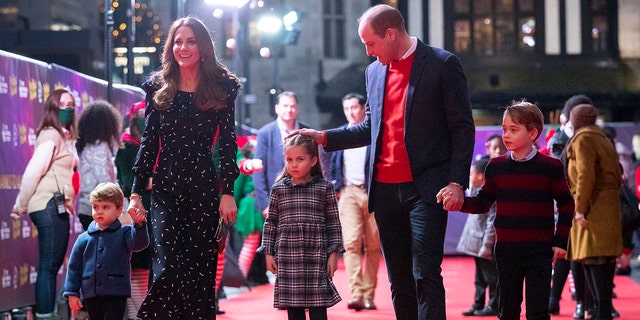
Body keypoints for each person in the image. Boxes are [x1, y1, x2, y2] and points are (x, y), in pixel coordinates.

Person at [294, 4, 475, 319]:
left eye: (371, 43)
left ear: (391, 33)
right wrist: (325, 137)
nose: (367, 51)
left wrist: (457, 182)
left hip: (427, 189)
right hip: (385, 191)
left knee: (426, 274)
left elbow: (462, 127)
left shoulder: (442, 64)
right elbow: (370, 129)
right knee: (399, 279)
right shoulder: (374, 71)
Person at [126, 16, 241, 319]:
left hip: (203, 189)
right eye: (178, 41)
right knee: (167, 266)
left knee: (199, 275)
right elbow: (149, 141)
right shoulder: (157, 87)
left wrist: (227, 191)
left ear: (202, 47)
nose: (183, 47)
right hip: (165, 187)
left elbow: (228, 143)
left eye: (190, 41)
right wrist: (136, 193)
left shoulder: (223, 88)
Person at [439, 100, 575, 319]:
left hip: (540, 251)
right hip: (506, 251)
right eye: (504, 129)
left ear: (532, 133)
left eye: (513, 130)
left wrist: (560, 241)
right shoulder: (496, 167)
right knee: (507, 309)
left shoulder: (551, 167)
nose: (506, 135)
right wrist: (460, 203)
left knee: (538, 311)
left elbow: (567, 203)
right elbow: (483, 203)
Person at [10, 88, 79, 320]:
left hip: (54, 204)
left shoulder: (63, 136)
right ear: (52, 108)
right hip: (47, 203)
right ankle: (46, 316)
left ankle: (46, 314)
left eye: (71, 104)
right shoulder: (51, 135)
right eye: (62, 105)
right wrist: (20, 204)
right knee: (49, 266)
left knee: (52, 265)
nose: (67, 109)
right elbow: (33, 171)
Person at [259, 133, 344, 320]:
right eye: (289, 159)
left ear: (313, 160)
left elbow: (333, 223)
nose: (294, 164)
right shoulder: (279, 189)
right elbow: (271, 222)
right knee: (294, 311)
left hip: (317, 256)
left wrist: (333, 254)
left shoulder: (325, 188)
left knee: (318, 310)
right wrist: (268, 253)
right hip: (288, 258)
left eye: (300, 159)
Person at [252, 91, 330, 286]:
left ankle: (305, 285)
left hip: (305, 197)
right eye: (285, 106)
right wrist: (264, 204)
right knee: (280, 243)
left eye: (293, 106)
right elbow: (258, 171)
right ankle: (286, 287)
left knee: (303, 243)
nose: (289, 109)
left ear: (298, 108)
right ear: (277, 108)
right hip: (276, 198)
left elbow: (318, 163)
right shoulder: (265, 133)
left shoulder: (306, 132)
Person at [566, 104, 623, 320]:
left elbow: (585, 175)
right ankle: (602, 311)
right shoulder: (604, 138)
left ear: (575, 120)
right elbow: (618, 175)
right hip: (608, 207)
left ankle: (601, 313)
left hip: (591, 208)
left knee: (593, 259)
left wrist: (579, 209)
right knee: (604, 261)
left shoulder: (583, 139)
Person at [63, 182, 149, 320]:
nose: (99, 211)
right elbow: (74, 268)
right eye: (95, 207)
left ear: (119, 210)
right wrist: (72, 293)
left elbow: (139, 244)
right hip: (91, 294)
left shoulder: (125, 233)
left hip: (116, 293)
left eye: (106, 207)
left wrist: (139, 225)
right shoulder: (83, 239)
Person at [328, 92, 380, 311]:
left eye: (354, 108)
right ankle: (357, 293)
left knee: (373, 245)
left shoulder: (374, 133)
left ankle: (369, 294)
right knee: (350, 244)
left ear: (363, 108)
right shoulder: (341, 134)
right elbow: (330, 162)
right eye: (346, 108)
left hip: (373, 192)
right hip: (348, 192)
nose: (350, 112)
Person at [114, 100, 153, 320]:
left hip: (150, 214)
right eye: (139, 114)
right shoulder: (127, 146)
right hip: (136, 215)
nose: (143, 118)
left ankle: (138, 313)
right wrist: (155, 181)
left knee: (144, 268)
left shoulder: (150, 144)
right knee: (137, 266)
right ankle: (135, 314)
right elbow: (129, 182)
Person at [457, 157, 499, 317]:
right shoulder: (475, 191)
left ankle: (494, 305)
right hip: (475, 243)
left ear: (481, 176)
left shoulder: (491, 196)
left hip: (484, 245)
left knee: (491, 277)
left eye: (471, 174)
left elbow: (491, 224)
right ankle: (478, 303)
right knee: (479, 278)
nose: (469, 177)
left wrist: (486, 246)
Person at [76, 100, 122, 230]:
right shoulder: (98, 148)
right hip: (100, 210)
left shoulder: (88, 147)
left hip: (91, 208)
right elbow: (105, 182)